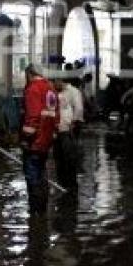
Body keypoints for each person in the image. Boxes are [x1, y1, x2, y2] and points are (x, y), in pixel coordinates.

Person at [21, 64, 59, 215]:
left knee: (32, 177)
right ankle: (42, 211)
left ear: (30, 74)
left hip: (34, 142)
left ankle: (35, 213)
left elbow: (33, 117)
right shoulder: (51, 89)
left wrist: (25, 138)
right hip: (46, 141)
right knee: (42, 174)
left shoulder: (33, 89)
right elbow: (55, 115)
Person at [53, 76, 83, 191]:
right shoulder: (56, 92)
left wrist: (73, 123)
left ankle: (71, 184)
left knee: (69, 158)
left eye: (55, 81)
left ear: (61, 80)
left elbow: (79, 109)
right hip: (57, 131)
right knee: (59, 158)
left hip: (68, 130)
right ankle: (62, 184)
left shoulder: (73, 92)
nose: (54, 84)